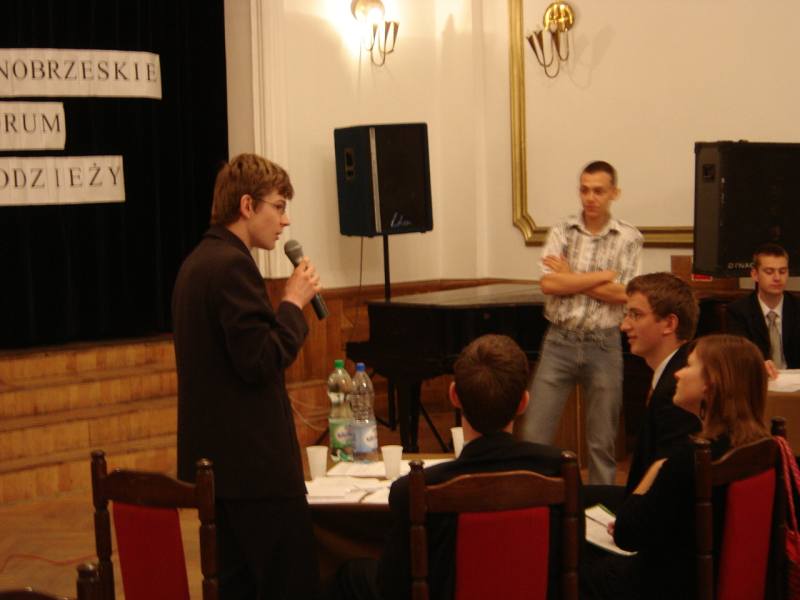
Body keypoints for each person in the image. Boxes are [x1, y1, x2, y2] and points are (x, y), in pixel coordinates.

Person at [172, 153, 322, 600]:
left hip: (219, 470)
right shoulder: (232, 266)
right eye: (278, 206)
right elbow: (259, 361)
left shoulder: (197, 262)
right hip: (255, 474)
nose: (285, 220)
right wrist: (292, 304)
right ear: (246, 205)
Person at [328, 334, 571, 600]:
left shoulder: (413, 489)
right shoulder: (559, 470)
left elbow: (393, 586)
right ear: (524, 402)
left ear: (454, 395)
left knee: (352, 575)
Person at [582, 334, 771, 600]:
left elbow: (626, 534)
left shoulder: (691, 458)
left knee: (573, 566)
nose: (678, 374)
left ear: (710, 384)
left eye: (689, 366)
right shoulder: (762, 446)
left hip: (669, 585)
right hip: (724, 577)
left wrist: (655, 470)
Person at [517, 161, 643, 484]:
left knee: (602, 442)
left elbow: (624, 294)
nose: (590, 198)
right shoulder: (562, 231)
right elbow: (549, 285)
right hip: (559, 341)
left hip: (604, 343)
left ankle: (601, 508)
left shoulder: (628, 237)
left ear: (614, 193)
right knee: (534, 434)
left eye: (599, 191)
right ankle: (538, 502)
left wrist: (571, 276)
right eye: (585, 190)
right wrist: (601, 277)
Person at [620, 272, 702, 495]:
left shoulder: (677, 390)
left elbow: (667, 484)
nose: (624, 326)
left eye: (636, 315)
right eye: (627, 315)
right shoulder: (676, 368)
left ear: (669, 323)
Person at [726, 243, 800, 374]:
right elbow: (739, 355)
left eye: (782, 271)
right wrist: (758, 365)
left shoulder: (797, 307)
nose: (777, 278)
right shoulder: (738, 311)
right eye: (769, 272)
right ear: (755, 274)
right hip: (758, 378)